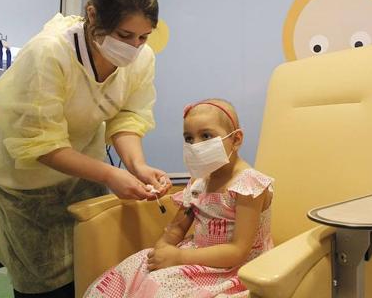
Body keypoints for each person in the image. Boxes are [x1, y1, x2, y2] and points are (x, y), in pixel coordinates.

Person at [0, 0, 172, 297]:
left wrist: (136, 167)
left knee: (94, 274)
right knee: (46, 286)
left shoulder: (141, 60)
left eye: (144, 37)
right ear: (93, 15)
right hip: (26, 185)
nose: (135, 47)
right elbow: (39, 142)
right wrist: (111, 175)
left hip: (83, 173)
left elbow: (127, 118)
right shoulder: (49, 54)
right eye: (125, 36)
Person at [84, 99, 274, 298]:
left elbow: (238, 250)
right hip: (195, 254)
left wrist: (179, 257)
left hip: (235, 267)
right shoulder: (199, 182)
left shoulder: (249, 185)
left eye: (206, 135)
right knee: (136, 266)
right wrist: (161, 250)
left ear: (236, 139)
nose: (195, 145)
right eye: (189, 138)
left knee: (160, 287)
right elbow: (177, 227)